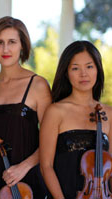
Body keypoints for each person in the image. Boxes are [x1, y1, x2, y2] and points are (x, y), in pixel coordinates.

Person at [0, 16, 51, 199]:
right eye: (0, 42)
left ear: (22, 45)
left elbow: (50, 140)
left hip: (22, 184)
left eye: (12, 42)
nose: (5, 49)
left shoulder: (37, 85)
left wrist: (24, 167)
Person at [39, 40, 112, 199]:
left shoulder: (109, 113)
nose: (83, 74)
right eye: (75, 68)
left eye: (89, 66)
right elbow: (46, 166)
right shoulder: (55, 111)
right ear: (66, 72)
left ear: (98, 69)